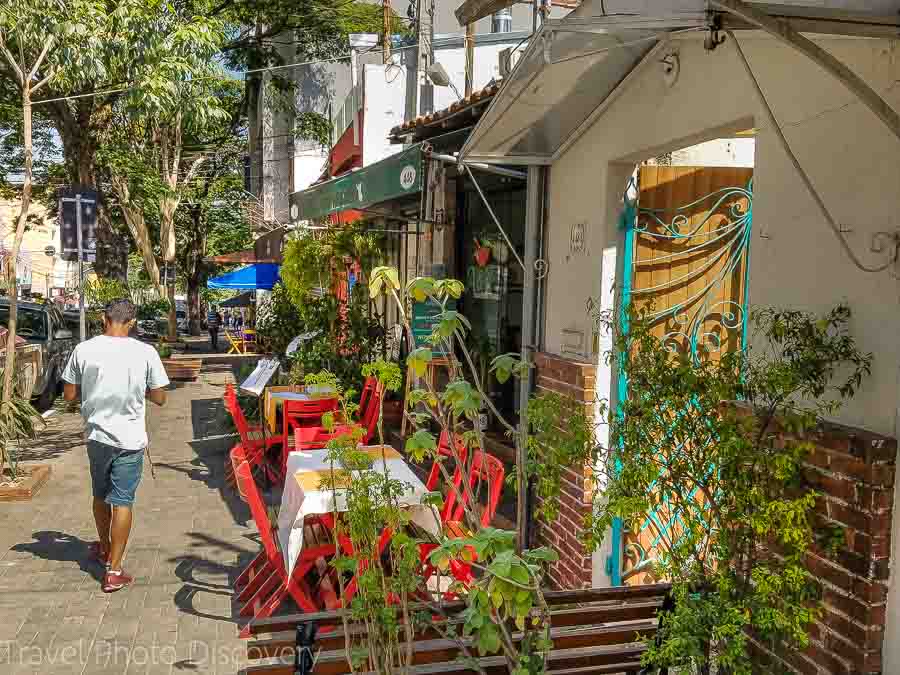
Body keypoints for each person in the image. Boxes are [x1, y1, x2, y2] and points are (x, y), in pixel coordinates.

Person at [62, 299, 169, 593]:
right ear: (132, 322)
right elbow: (160, 398)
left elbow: (69, 394)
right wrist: (138, 390)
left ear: (103, 317)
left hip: (97, 437)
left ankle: (105, 548)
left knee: (100, 494)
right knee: (122, 501)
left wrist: (93, 387)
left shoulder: (84, 350)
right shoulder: (146, 352)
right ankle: (115, 569)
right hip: (130, 440)